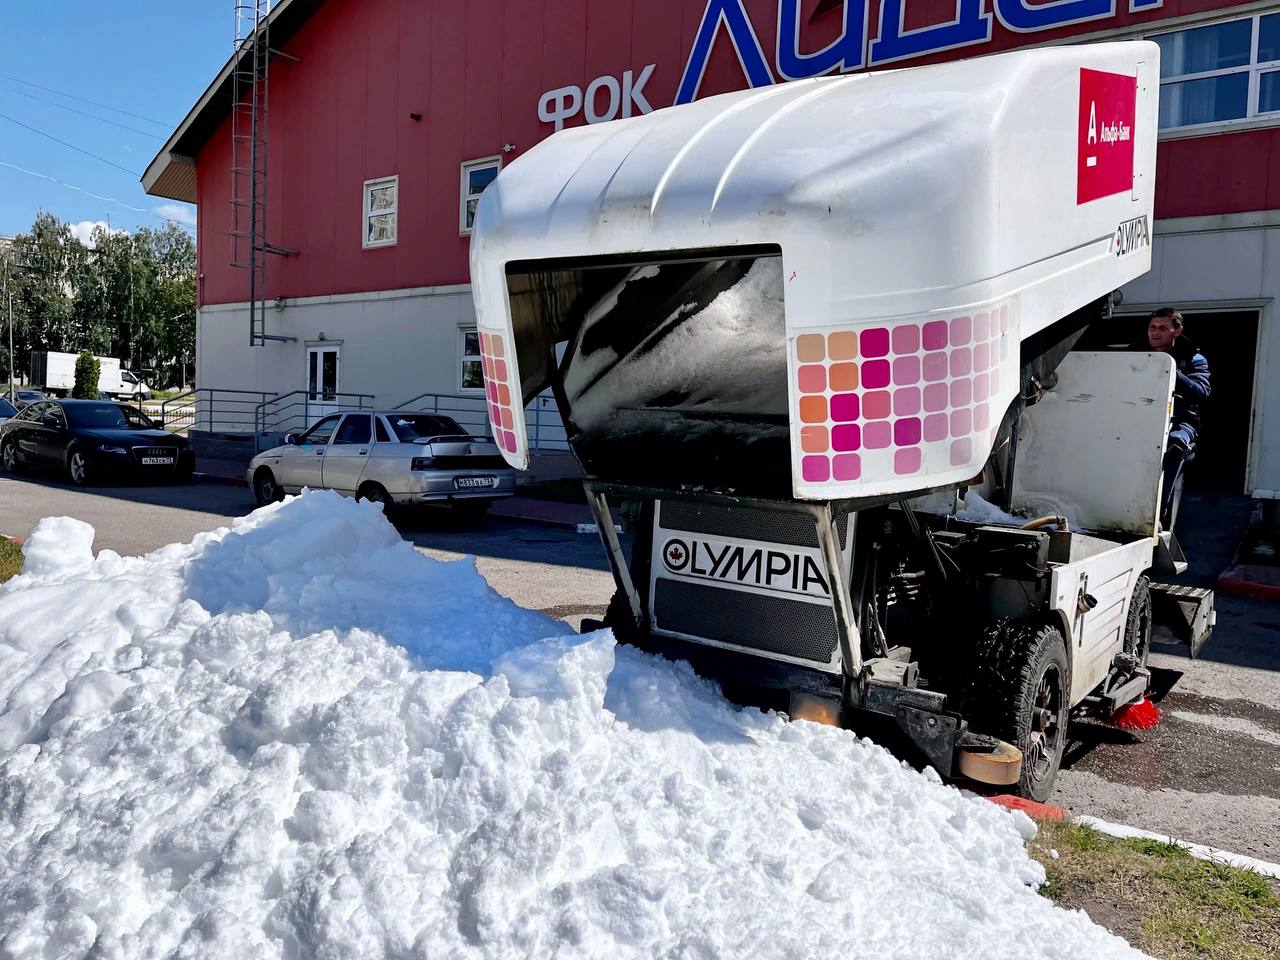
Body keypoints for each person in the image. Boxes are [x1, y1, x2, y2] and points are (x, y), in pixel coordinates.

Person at [1134, 308, 1210, 528]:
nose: (1155, 333)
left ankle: (1158, 513)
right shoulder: (1135, 353)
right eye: (1152, 328)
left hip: (1182, 420)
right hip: (1140, 416)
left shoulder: (1194, 358)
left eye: (1162, 328)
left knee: (1176, 443)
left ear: (1177, 331)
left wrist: (1170, 371)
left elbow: (1202, 392)